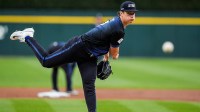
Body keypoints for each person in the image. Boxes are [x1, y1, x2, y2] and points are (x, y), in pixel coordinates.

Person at [10, 1, 137, 112]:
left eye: (134, 13)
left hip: (90, 56)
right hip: (78, 47)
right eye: (129, 13)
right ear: (121, 13)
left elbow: (105, 41)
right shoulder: (118, 29)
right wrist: (114, 55)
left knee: (89, 86)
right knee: (46, 61)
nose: (132, 16)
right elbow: (115, 53)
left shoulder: (116, 25)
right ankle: (27, 36)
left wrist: (105, 57)